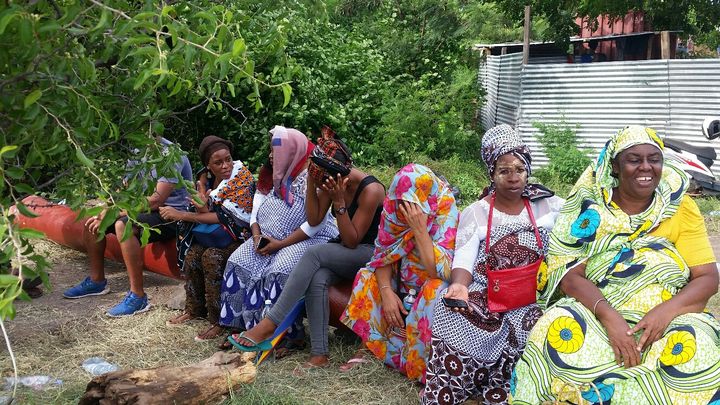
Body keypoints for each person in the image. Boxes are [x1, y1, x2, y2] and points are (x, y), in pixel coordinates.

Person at [512, 125, 720, 404]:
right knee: (554, 325)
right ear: (615, 167)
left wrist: (664, 313)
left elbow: (707, 276)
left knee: (699, 341)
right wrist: (610, 318)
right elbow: (571, 276)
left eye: (653, 159)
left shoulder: (679, 206)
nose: (645, 167)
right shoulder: (588, 211)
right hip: (600, 311)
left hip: (669, 313)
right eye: (634, 159)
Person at [421, 125, 565, 404]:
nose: (513, 177)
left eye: (519, 169)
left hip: (534, 295)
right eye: (504, 170)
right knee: (452, 311)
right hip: (488, 291)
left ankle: (503, 391)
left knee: (546, 326)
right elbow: (464, 256)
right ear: (491, 173)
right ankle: (450, 391)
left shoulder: (548, 206)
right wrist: (460, 286)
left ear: (528, 169)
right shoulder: (477, 212)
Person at [228, 127, 386, 371]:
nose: (322, 184)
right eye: (318, 177)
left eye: (323, 180)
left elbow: (353, 240)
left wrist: (340, 203)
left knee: (313, 253)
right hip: (342, 250)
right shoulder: (325, 180)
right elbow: (314, 218)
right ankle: (319, 354)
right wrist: (312, 183)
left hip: (369, 252)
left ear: (341, 176)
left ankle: (270, 324)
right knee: (318, 278)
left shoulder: (371, 190)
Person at [218, 126, 338, 345]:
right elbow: (256, 209)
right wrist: (256, 237)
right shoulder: (273, 174)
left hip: (308, 238)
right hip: (267, 236)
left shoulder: (313, 177)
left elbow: (315, 224)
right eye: (272, 150)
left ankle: (286, 337)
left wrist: (280, 244)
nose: (272, 156)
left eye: (277, 151)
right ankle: (241, 326)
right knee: (238, 261)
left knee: (279, 270)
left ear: (293, 151)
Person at [340, 163, 459, 382]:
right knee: (367, 277)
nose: (406, 210)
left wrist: (419, 229)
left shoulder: (445, 207)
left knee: (435, 290)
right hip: (400, 283)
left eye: (412, 204)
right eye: (402, 203)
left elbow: (440, 272)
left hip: (430, 287)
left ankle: (418, 364)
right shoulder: (394, 206)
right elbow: (382, 254)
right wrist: (386, 292)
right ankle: (372, 348)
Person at [63, 137, 193, 317]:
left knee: (122, 225)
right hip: (144, 209)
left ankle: (138, 297)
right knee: (93, 219)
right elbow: (126, 190)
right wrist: (107, 209)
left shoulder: (171, 153)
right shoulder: (137, 150)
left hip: (172, 213)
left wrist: (117, 213)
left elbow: (156, 200)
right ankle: (96, 280)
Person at [159, 135, 255, 341]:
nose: (225, 165)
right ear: (208, 165)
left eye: (228, 159)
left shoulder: (241, 178)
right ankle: (194, 309)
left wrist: (182, 215)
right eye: (218, 162)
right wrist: (200, 200)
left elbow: (224, 216)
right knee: (193, 254)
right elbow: (206, 210)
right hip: (216, 234)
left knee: (212, 257)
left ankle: (219, 320)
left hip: (240, 237)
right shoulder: (207, 178)